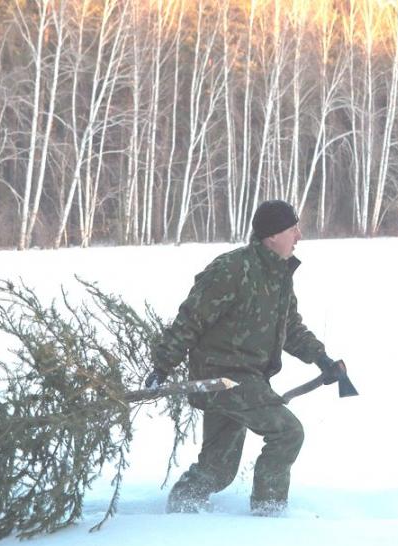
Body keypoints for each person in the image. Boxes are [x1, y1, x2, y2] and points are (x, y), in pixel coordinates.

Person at [145, 199, 347, 516]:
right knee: (287, 432)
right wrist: (161, 368)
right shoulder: (231, 270)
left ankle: (183, 506)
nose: (299, 236)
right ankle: (269, 512)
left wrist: (322, 359)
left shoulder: (278, 275)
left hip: (248, 377)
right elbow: (190, 320)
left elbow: (290, 327)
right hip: (221, 378)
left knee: (219, 469)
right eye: (293, 229)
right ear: (272, 237)